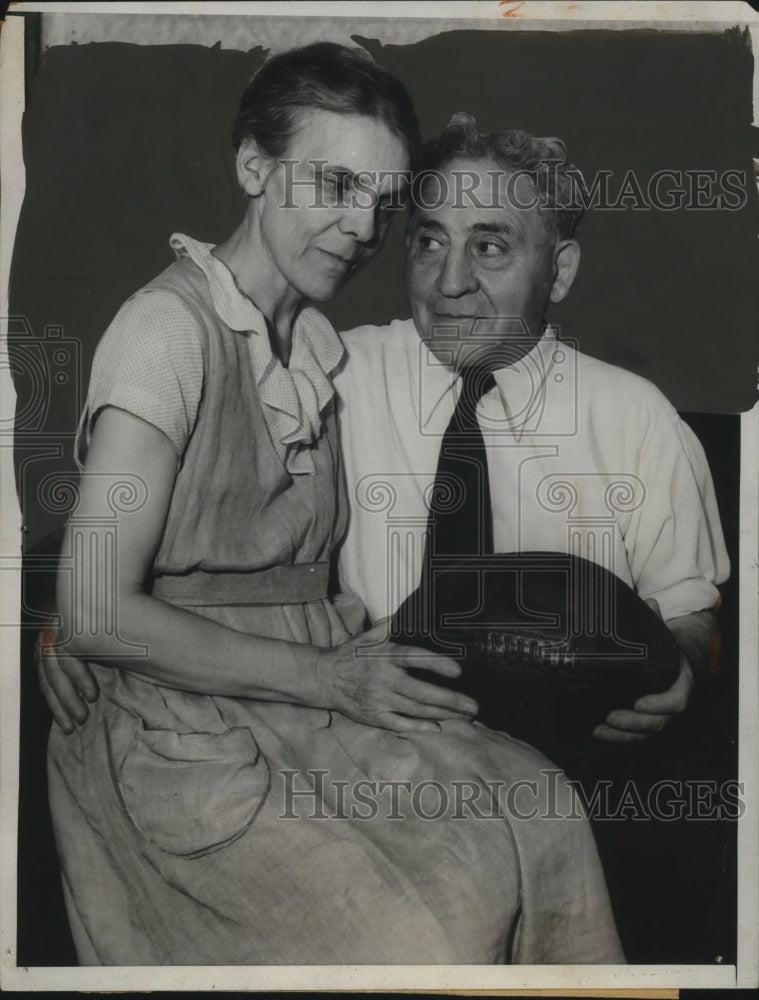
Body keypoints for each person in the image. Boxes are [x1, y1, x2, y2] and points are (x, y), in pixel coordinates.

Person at [36, 50, 623, 966]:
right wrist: (63, 623)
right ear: (252, 168)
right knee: (426, 932)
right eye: (337, 184)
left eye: (384, 202)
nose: (362, 227)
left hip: (322, 685)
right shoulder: (165, 330)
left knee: (543, 813)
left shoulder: (317, 348)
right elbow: (99, 605)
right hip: (182, 725)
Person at [335, 115, 729, 746]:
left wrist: (680, 667)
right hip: (366, 748)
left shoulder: (636, 417)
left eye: (489, 248)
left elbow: (690, 608)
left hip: (565, 755)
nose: (450, 282)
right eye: (430, 242)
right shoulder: (332, 379)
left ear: (560, 271)